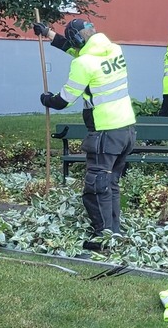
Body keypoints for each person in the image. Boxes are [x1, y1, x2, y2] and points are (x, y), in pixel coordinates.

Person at [33, 19, 136, 250]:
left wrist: (47, 99)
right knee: (111, 184)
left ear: (78, 39)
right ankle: (114, 233)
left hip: (105, 132)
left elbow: (65, 99)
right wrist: (49, 34)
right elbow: (77, 50)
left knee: (96, 187)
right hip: (126, 130)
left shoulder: (84, 63)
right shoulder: (114, 49)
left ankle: (103, 238)